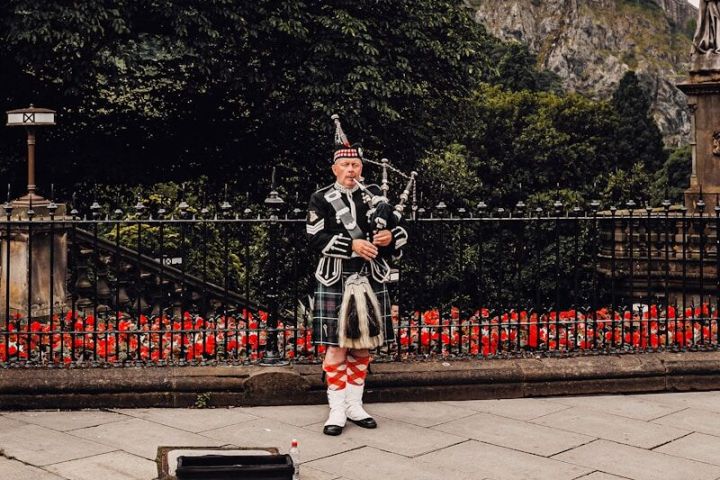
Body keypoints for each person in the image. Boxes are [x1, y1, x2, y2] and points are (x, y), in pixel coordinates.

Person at [306, 121, 408, 436]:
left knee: (363, 348)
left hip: (370, 277)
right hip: (336, 277)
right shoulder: (321, 198)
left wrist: (390, 238)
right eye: (345, 164)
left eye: (356, 164)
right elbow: (314, 236)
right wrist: (351, 244)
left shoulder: (376, 196)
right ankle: (336, 410)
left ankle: (355, 405)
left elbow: (401, 232)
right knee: (336, 347)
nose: (351, 169)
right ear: (334, 168)